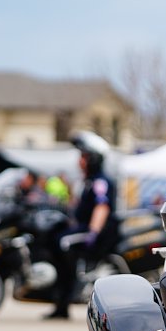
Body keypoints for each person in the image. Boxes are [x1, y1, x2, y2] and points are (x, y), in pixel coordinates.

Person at [46, 131, 120, 319]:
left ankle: (70, 292)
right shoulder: (89, 181)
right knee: (55, 237)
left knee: (63, 244)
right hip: (84, 226)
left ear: (93, 159)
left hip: (97, 231)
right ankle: (61, 300)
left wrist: (92, 233)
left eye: (84, 157)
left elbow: (101, 207)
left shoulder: (100, 182)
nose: (80, 161)